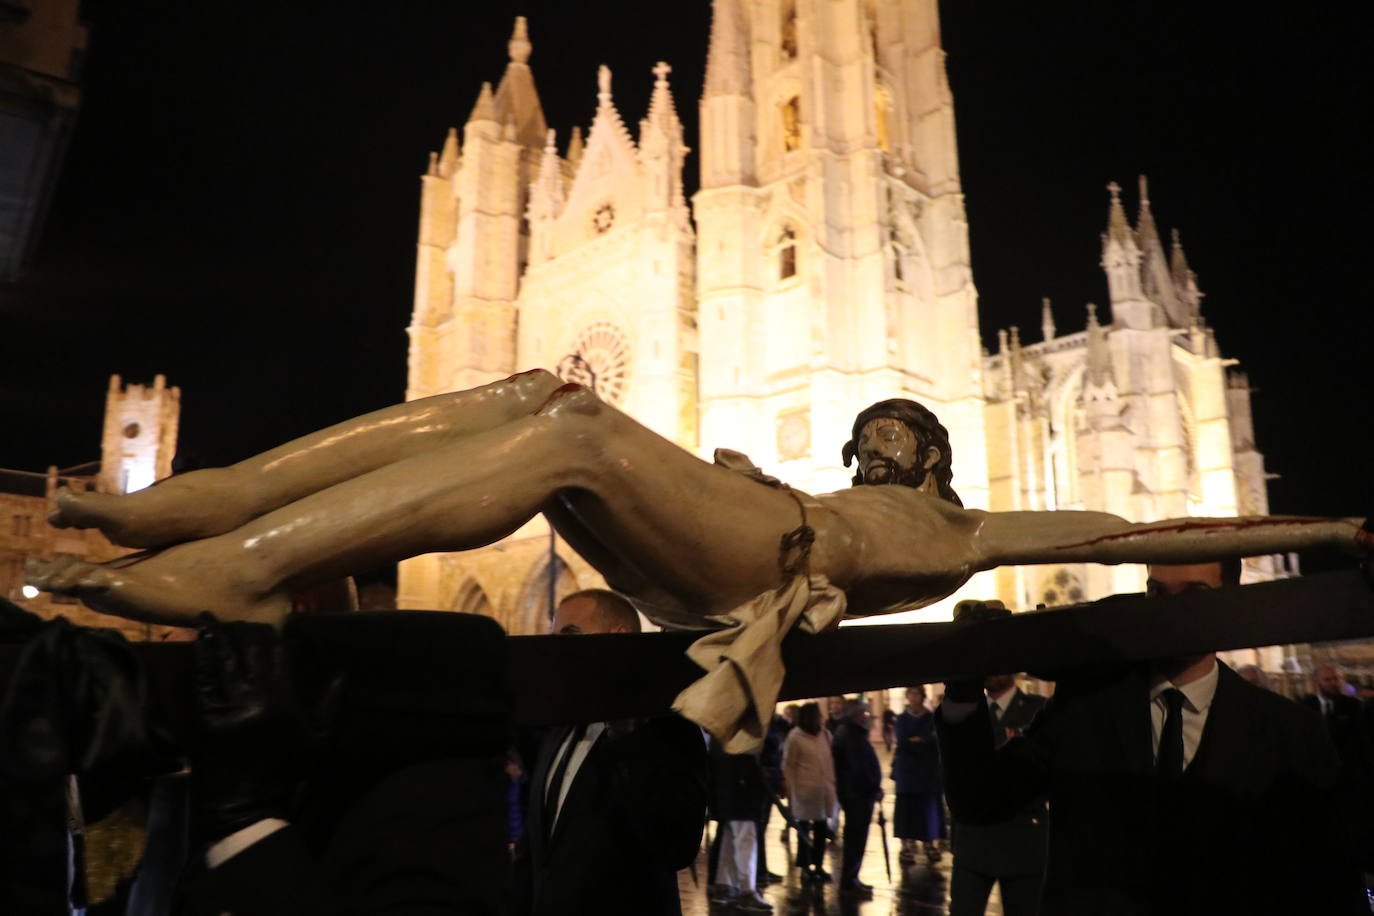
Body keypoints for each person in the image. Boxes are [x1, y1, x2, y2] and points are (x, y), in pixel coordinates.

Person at [28, 373, 1371, 746]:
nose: (874, 434)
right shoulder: (826, 486)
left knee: (576, 436)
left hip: (762, 561)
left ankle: (239, 566)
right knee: (536, 396)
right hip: (742, 530)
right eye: (868, 427)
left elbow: (1148, 531)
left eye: (891, 429)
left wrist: (1322, 531)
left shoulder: (963, 531)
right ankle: (206, 510)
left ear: (929, 455)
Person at [936, 561, 1367, 915]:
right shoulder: (1085, 709)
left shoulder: (1288, 731)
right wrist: (962, 689)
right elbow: (980, 800)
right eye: (1157, 594)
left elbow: (1329, 882)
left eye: (1194, 595)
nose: (1169, 613)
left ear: (1231, 603)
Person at [514, 589, 707, 916]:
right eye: (553, 636)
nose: (556, 649)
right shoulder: (561, 729)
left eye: (570, 635)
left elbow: (675, 846)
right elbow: (536, 851)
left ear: (619, 638)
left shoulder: (668, 729)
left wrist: (626, 735)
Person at [947, 671, 1048, 916]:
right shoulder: (962, 712)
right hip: (972, 839)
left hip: (1024, 838)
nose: (990, 671)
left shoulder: (1040, 710)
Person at [1301, 663, 1374, 873]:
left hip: (1350, 779)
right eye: (1328, 680)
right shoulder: (1305, 707)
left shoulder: (1352, 706)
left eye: (1335, 679)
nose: (1333, 684)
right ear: (1316, 682)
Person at [706, 738, 772, 912]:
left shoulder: (721, 734)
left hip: (729, 794)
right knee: (746, 842)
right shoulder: (741, 736)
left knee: (729, 841)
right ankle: (747, 891)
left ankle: (724, 886)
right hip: (742, 794)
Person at [832, 698, 882, 899]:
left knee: (856, 838)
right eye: (863, 713)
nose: (866, 717)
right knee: (855, 838)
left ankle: (852, 879)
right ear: (855, 715)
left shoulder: (850, 732)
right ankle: (849, 881)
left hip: (856, 793)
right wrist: (873, 786)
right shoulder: (850, 734)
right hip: (857, 795)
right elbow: (857, 767)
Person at [781, 702, 836, 885]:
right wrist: (789, 789)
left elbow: (830, 760)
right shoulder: (795, 737)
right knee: (803, 830)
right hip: (804, 790)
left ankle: (818, 865)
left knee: (821, 830)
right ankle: (805, 867)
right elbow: (789, 765)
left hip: (823, 790)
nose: (821, 718)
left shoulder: (825, 735)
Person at [891, 685, 946, 867]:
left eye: (917, 694)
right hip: (907, 773)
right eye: (911, 694)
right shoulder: (902, 719)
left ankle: (930, 843)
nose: (914, 697)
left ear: (923, 696)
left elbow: (934, 741)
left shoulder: (931, 718)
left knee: (929, 810)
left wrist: (921, 741)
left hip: (927, 772)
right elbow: (903, 742)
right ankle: (906, 846)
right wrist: (919, 742)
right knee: (906, 811)